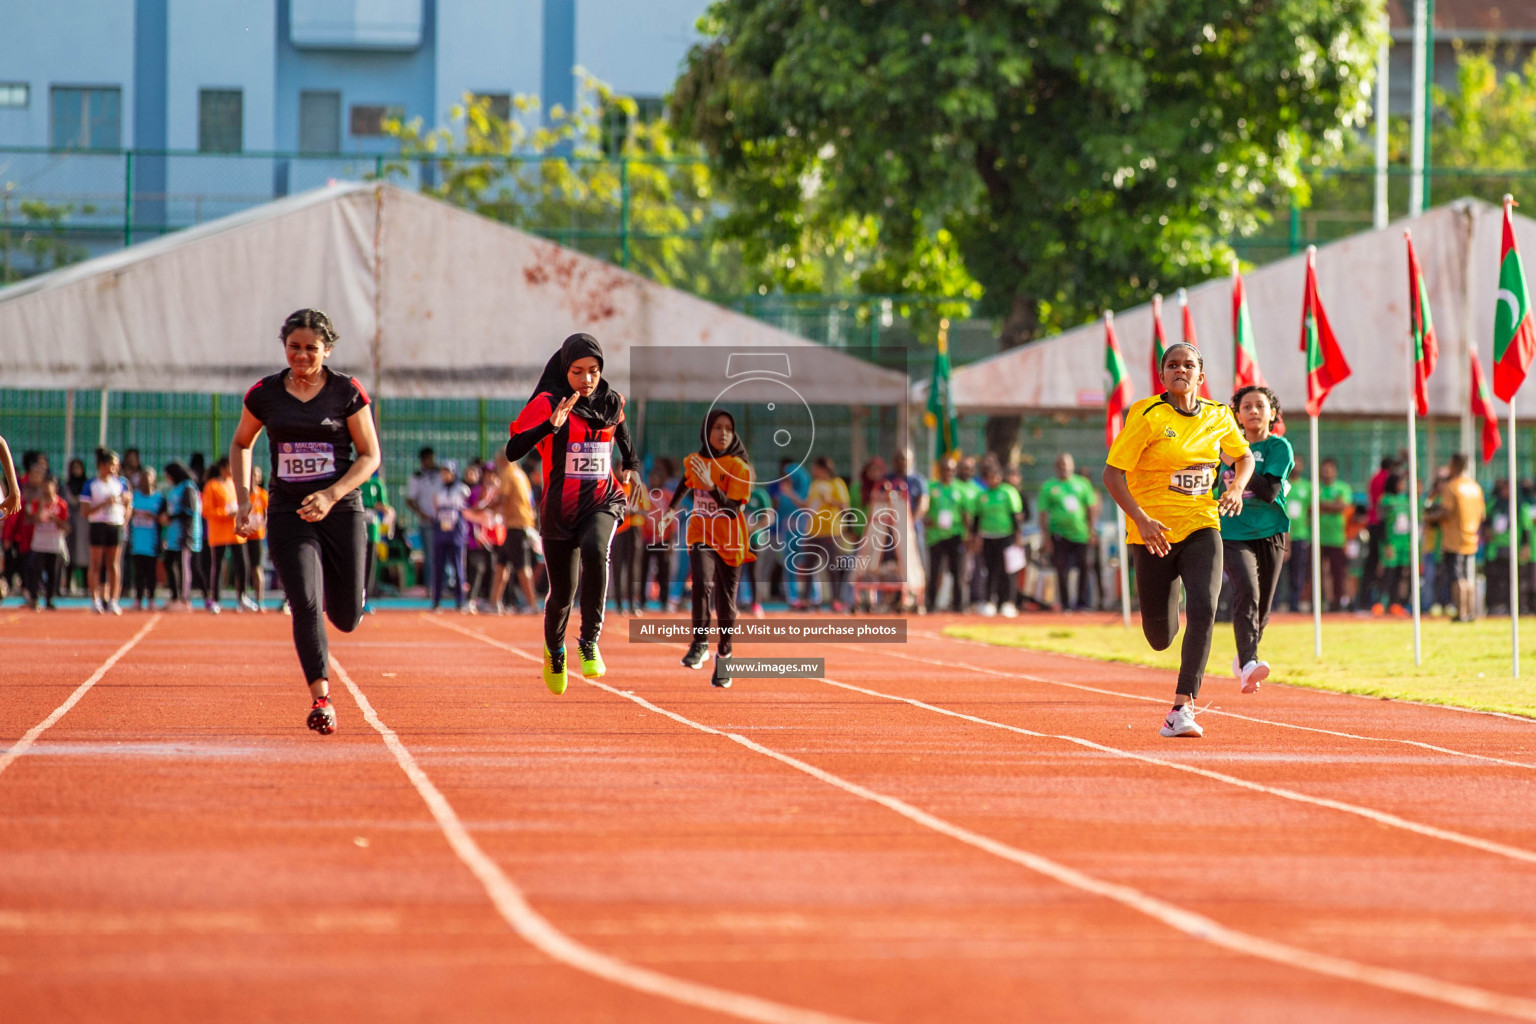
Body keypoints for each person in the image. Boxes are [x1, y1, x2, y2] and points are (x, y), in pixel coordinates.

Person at [231, 308, 381, 735]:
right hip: (287, 512)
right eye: (294, 347)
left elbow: (370, 455)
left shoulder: (346, 392)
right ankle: (322, 698)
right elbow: (242, 443)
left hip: (340, 509)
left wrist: (332, 494)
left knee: (347, 616)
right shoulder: (264, 394)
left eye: (311, 348)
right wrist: (245, 499)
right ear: (285, 347)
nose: (301, 355)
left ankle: (350, 591)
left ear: (327, 349)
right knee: (305, 602)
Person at [1102, 342, 1253, 739]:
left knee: (1204, 607)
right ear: (1163, 375)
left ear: (1200, 376)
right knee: (1160, 637)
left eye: (1188, 365)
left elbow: (1244, 456)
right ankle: (1162, 636)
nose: (1180, 370)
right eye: (1173, 365)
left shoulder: (1220, 415)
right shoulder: (1147, 415)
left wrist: (1236, 486)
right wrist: (1141, 519)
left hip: (1203, 525)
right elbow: (1112, 475)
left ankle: (1182, 706)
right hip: (1152, 536)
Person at [506, 333, 641, 694]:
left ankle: (589, 640)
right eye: (578, 371)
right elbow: (512, 450)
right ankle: (554, 650)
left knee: (598, 550)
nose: (586, 380)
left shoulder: (611, 402)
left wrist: (631, 464)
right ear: (565, 370)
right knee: (562, 593)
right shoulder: (549, 402)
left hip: (602, 499)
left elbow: (623, 433)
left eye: (594, 371)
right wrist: (550, 426)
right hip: (560, 509)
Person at [666, 409, 755, 687]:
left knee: (726, 606)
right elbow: (685, 482)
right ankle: (699, 643)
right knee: (702, 583)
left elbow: (731, 511)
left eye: (728, 428)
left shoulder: (739, 468)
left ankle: (724, 655)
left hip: (730, 541)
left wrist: (711, 486)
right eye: (717, 427)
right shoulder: (695, 461)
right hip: (700, 534)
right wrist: (670, 510)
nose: (723, 433)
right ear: (707, 431)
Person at [1217, 385, 1293, 693]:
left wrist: (1236, 463)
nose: (1253, 411)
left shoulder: (1279, 448)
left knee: (1263, 604)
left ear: (1272, 413)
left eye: (1260, 406)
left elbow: (1270, 492)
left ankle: (1245, 656)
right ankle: (1249, 663)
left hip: (1270, 530)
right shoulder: (1220, 446)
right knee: (1246, 589)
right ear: (1236, 414)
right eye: (1246, 406)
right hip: (1232, 530)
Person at [784, 455, 852, 612]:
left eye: (815, 467)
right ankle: (806, 600)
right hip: (813, 532)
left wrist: (829, 500)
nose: (813, 471)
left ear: (824, 469)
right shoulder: (815, 485)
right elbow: (806, 506)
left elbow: (845, 507)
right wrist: (791, 494)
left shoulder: (836, 484)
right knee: (808, 566)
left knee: (832, 568)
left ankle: (836, 600)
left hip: (830, 531)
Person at [1427, 453, 1485, 622]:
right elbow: (1482, 515)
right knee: (1467, 575)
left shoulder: (1452, 487)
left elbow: (1447, 511)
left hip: (1454, 539)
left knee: (1456, 576)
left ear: (1453, 465)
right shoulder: (1475, 487)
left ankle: (1461, 613)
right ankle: (1471, 612)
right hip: (1471, 537)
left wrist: (1430, 517)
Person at [1038, 453, 1099, 612]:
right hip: (1059, 535)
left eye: (1067, 464)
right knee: (1061, 569)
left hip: (1081, 534)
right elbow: (1043, 514)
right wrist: (1046, 538)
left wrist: (1092, 530)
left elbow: (1090, 508)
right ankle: (1065, 604)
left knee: (1084, 567)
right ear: (1056, 467)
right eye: (1061, 465)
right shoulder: (1048, 487)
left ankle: (1082, 603)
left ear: (1072, 466)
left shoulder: (1082, 484)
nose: (1064, 468)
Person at [486, 451, 538, 614]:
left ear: (503, 460)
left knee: (522, 566)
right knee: (501, 564)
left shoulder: (509, 474)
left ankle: (532, 603)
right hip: (514, 525)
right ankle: (494, 602)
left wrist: (482, 509)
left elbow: (503, 499)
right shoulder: (520, 474)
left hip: (517, 526)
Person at [971, 458, 1024, 617]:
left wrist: (1018, 536)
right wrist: (976, 537)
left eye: (995, 476)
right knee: (990, 570)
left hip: (1006, 537)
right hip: (988, 537)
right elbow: (977, 518)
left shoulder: (1008, 492)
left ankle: (1007, 602)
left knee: (1007, 571)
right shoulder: (982, 495)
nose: (992, 480)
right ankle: (989, 602)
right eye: (989, 477)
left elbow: (1016, 516)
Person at [83, 448, 132, 615]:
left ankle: (113, 600)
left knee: (113, 564)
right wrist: (104, 503)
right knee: (96, 564)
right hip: (98, 525)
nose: (115, 469)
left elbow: (128, 505)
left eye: (116, 466)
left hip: (115, 525)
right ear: (102, 465)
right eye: (112, 465)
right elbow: (85, 511)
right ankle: (95, 599)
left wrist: (124, 520)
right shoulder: (91, 484)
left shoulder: (122, 483)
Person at [925, 455, 972, 613]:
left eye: (951, 470)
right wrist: (927, 521)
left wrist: (967, 535)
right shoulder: (931, 487)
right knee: (934, 571)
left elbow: (966, 514)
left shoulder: (960, 489)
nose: (948, 473)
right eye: (945, 469)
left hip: (955, 535)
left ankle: (959, 605)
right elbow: (924, 510)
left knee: (957, 572)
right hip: (935, 536)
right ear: (940, 470)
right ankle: (930, 605)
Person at [202, 457, 249, 613]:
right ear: (223, 468)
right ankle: (215, 600)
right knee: (218, 566)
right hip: (219, 532)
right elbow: (207, 510)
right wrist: (226, 513)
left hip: (235, 532)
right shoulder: (212, 485)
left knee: (242, 564)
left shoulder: (234, 484)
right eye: (230, 467)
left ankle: (242, 597)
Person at [430, 460, 472, 613]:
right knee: (439, 567)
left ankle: (460, 601)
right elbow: (435, 510)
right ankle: (436, 601)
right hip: (441, 532)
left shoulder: (462, 490)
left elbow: (467, 510)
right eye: (443, 472)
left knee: (458, 567)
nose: (445, 475)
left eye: (447, 472)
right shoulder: (438, 491)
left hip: (456, 533)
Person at [160, 462, 202, 611]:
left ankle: (185, 599)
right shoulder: (175, 488)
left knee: (185, 567)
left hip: (185, 535)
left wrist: (170, 517)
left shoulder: (188, 487)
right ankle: (174, 597)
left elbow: (189, 511)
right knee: (169, 563)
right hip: (173, 535)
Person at [25, 475, 68, 610]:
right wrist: (41, 507)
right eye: (44, 486)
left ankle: (49, 599)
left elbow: (66, 525)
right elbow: (34, 520)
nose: (46, 489)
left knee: (52, 573)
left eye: (48, 486)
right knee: (36, 572)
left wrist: (54, 519)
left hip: (54, 544)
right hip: (39, 543)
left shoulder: (61, 504)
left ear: (54, 487)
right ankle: (34, 598)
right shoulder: (37, 503)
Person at [1316, 458, 1352, 611]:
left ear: (1335, 472)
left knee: (1337, 573)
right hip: (1317, 537)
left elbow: (1342, 506)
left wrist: (1323, 505)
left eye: (1330, 470)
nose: (1327, 473)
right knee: (1316, 573)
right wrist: (1333, 505)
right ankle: (1317, 602)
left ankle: (1337, 603)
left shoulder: (1343, 488)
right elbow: (1311, 508)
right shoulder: (1315, 488)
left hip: (1337, 538)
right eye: (1325, 470)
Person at [406, 447, 443, 598]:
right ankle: (430, 587)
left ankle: (444, 586)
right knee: (430, 555)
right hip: (427, 521)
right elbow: (410, 499)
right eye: (428, 459)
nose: (431, 462)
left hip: (443, 521)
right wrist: (421, 514)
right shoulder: (417, 477)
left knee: (443, 554)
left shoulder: (441, 473)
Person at [1376, 473, 1414, 616]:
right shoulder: (1385, 500)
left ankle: (1395, 603)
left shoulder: (1407, 500)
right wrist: (1385, 543)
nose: (1402, 486)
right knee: (1388, 573)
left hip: (1404, 543)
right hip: (1391, 543)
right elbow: (1382, 522)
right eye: (1399, 483)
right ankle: (1381, 602)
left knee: (1400, 573)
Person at [127, 467, 164, 610]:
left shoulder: (159, 498)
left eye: (148, 478)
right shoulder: (134, 497)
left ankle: (151, 599)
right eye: (143, 479)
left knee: (151, 573)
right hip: (136, 542)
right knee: (138, 573)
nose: (145, 482)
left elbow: (163, 519)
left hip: (152, 542)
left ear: (153, 480)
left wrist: (152, 516)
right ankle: (138, 599)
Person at [1283, 459, 1311, 611]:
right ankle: (1274, 603)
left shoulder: (1307, 487)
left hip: (1300, 535)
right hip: (1282, 534)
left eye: (1299, 463)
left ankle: (1294, 603)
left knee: (1297, 571)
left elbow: (1312, 509)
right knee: (1279, 572)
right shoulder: (1283, 484)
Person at [246, 465, 270, 611]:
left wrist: (260, 525)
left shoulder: (263, 495)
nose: (253, 478)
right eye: (250, 475)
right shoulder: (242, 494)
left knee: (256, 567)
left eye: (256, 475)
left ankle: (260, 600)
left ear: (259, 478)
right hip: (242, 536)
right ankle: (242, 598)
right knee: (241, 567)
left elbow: (267, 516)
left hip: (257, 535)